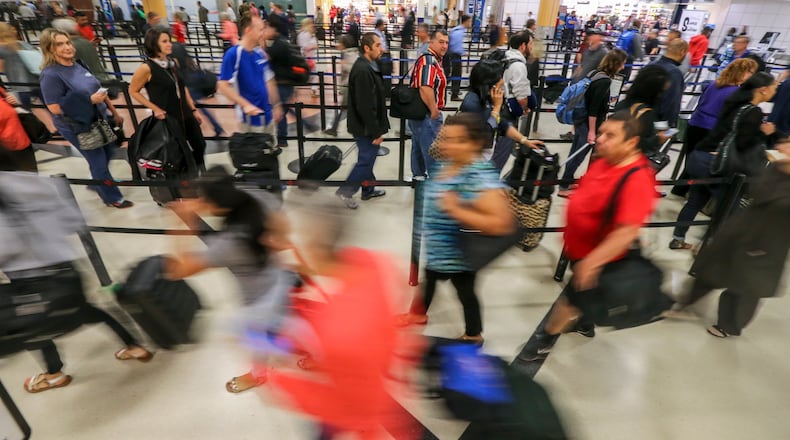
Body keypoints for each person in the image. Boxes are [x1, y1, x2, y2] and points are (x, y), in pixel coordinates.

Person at [520, 111, 658, 360]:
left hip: (598, 260)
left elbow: (626, 231)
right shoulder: (604, 160)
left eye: (610, 135)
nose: (601, 139)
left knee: (569, 300)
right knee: (584, 298)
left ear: (631, 142)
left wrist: (592, 264)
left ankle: (543, 341)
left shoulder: (636, 179)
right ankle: (585, 324)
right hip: (581, 251)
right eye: (602, 132)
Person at [0, 172, 151, 393]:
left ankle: (54, 374)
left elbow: (7, 247)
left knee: (31, 326)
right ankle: (134, 345)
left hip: (28, 277)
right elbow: (76, 220)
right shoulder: (32, 181)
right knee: (85, 309)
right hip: (65, 267)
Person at [166, 166, 293, 393]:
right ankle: (302, 350)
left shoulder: (231, 244)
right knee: (285, 320)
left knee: (254, 334)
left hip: (259, 299)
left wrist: (183, 223)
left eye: (205, 199)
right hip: (280, 277)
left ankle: (259, 373)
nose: (201, 202)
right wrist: (274, 243)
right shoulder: (253, 195)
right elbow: (283, 225)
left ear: (221, 204)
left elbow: (179, 270)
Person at [397, 113, 515, 343]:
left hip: (459, 254)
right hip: (438, 250)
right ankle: (417, 315)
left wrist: (456, 210)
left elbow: (502, 223)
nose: (448, 145)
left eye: (457, 140)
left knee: (465, 293)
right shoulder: (451, 162)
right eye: (446, 138)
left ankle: (474, 334)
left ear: (475, 143)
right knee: (429, 281)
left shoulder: (477, 175)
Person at [665, 137, 790, 337]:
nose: (783, 147)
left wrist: (762, 247)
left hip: (766, 245)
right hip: (741, 229)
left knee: (743, 288)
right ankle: (685, 303)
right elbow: (755, 192)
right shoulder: (776, 170)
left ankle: (729, 325)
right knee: (710, 268)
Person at [669, 72, 779, 250]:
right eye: (774, 87)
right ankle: (706, 246)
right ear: (763, 90)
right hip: (715, 163)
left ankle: (678, 238)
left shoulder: (735, 103)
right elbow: (743, 143)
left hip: (701, 155)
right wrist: (763, 134)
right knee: (729, 207)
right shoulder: (754, 112)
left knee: (695, 200)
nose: (776, 91)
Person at [38, 28, 131, 208]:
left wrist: (114, 112)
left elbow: (98, 91)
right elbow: (54, 107)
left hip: (97, 118)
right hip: (77, 126)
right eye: (60, 44)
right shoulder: (50, 75)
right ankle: (112, 198)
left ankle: (97, 181)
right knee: (98, 160)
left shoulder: (78, 65)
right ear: (49, 49)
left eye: (68, 43)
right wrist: (89, 100)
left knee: (109, 151)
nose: (67, 47)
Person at [671, 58, 758, 197]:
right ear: (743, 72)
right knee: (705, 165)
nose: (751, 76)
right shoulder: (735, 92)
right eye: (751, 72)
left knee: (691, 159)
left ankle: (679, 189)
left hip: (695, 124)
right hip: (711, 129)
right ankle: (694, 195)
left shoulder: (714, 84)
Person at [129, 28, 206, 170]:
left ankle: (200, 172)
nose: (169, 44)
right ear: (154, 44)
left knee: (200, 144)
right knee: (179, 151)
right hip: (168, 117)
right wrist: (155, 109)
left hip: (185, 113)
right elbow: (133, 91)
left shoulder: (173, 63)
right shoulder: (146, 68)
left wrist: (194, 109)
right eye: (164, 41)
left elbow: (182, 88)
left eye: (169, 41)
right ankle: (186, 180)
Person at [558, 49, 628, 198]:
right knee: (579, 155)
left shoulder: (595, 73)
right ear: (615, 64)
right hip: (588, 123)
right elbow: (594, 109)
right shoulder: (605, 81)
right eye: (622, 64)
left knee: (574, 151)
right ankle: (563, 187)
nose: (623, 67)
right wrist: (592, 131)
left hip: (580, 119)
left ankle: (567, 180)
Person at [336, 32, 388, 209]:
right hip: (364, 127)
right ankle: (346, 191)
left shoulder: (369, 65)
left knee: (368, 158)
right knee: (366, 160)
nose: (382, 49)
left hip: (365, 125)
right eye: (378, 46)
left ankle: (368, 190)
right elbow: (365, 106)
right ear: (367, 48)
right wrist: (375, 132)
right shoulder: (363, 70)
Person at [458, 60, 543, 168]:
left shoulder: (486, 99)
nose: (503, 86)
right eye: (500, 83)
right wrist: (497, 107)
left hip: (481, 159)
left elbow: (502, 124)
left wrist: (524, 140)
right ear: (489, 85)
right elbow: (486, 136)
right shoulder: (472, 104)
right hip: (469, 164)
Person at [217, 14, 280, 136]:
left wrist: (276, 104)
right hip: (250, 120)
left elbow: (269, 80)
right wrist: (245, 105)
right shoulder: (234, 54)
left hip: (267, 115)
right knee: (254, 154)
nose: (263, 33)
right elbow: (222, 85)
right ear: (248, 30)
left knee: (270, 151)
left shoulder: (260, 53)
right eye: (260, 29)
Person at [409, 29, 448, 179]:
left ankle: (418, 178)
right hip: (426, 115)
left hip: (419, 114)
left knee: (418, 147)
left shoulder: (433, 59)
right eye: (441, 42)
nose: (444, 46)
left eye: (446, 42)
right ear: (431, 42)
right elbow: (425, 87)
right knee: (433, 152)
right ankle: (436, 185)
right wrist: (434, 111)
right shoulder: (429, 60)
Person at [613, 65, 671, 157]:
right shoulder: (645, 114)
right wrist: (658, 139)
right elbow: (637, 145)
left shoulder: (623, 104)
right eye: (661, 91)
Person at [497, 32, 533, 162]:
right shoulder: (519, 65)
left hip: (497, 107)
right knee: (501, 154)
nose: (532, 47)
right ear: (523, 46)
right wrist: (524, 108)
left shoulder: (505, 56)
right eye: (531, 44)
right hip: (508, 113)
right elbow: (521, 96)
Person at [0, 23, 42, 110]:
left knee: (37, 118)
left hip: (21, 88)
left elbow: (2, 71)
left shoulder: (2, 49)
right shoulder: (23, 44)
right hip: (39, 83)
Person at [649, 38, 688, 128]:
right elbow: (671, 105)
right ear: (682, 52)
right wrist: (667, 129)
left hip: (640, 119)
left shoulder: (650, 65)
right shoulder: (674, 73)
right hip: (656, 125)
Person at [324, 34, 357, 137]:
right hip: (353, 84)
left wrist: (342, 86)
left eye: (340, 43)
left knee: (345, 108)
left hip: (349, 85)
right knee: (350, 107)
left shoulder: (346, 54)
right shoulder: (355, 52)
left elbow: (347, 69)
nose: (338, 45)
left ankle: (334, 128)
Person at [0, 87, 36, 171]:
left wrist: (13, 102)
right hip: (5, 151)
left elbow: (11, 107)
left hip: (20, 142)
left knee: (30, 176)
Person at [446, 14, 470, 101]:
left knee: (452, 73)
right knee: (456, 74)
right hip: (455, 56)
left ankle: (452, 91)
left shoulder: (455, 29)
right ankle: (454, 94)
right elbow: (456, 46)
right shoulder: (459, 32)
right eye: (469, 21)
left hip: (451, 55)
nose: (470, 23)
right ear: (466, 21)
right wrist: (463, 52)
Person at [297, 18, 319, 97]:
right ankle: (314, 90)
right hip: (310, 56)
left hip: (304, 56)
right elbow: (308, 46)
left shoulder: (300, 34)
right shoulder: (308, 34)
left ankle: (313, 89)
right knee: (314, 74)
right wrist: (312, 46)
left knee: (310, 73)